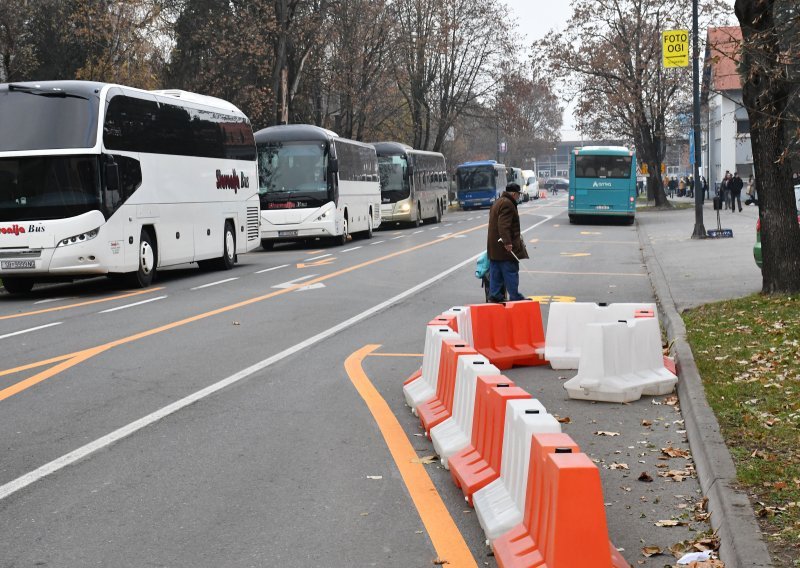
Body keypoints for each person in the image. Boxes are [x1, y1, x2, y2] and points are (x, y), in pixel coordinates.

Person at [487, 183, 528, 302]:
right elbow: (503, 225)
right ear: (514, 194)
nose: (518, 197)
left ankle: (494, 295)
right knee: (510, 271)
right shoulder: (508, 204)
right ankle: (515, 296)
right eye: (518, 195)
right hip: (504, 248)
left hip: (494, 247)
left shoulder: (498, 201)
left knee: (496, 272)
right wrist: (507, 242)